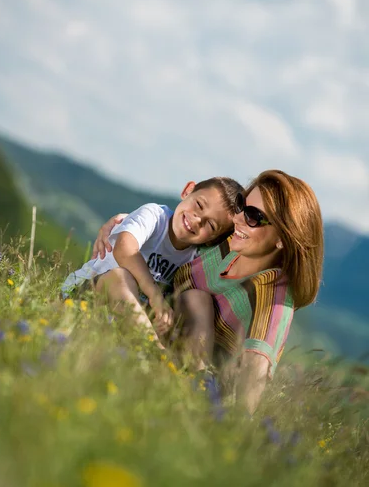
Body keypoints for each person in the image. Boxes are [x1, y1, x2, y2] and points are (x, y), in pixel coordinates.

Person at [93, 170, 324, 413]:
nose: (240, 219)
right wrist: (127, 223)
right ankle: (165, 364)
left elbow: (258, 362)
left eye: (255, 216)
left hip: (202, 380)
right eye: (243, 206)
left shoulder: (274, 292)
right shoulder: (233, 245)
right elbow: (183, 229)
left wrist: (238, 426)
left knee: (195, 298)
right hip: (161, 331)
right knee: (190, 296)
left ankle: (192, 382)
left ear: (283, 239)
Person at [62, 177, 242, 343]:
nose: (197, 220)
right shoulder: (154, 216)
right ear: (188, 190)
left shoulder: (195, 257)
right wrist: (155, 295)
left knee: (196, 298)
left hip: (124, 317)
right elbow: (124, 248)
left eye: (210, 225)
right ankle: (154, 349)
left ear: (213, 239)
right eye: (199, 205)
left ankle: (197, 371)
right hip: (83, 295)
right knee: (121, 276)